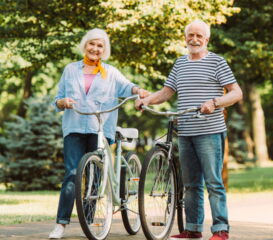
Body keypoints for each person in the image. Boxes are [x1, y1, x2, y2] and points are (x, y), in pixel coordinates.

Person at [135, 19, 243, 240]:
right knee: (191, 184)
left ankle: (221, 230)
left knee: (213, 183)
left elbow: (236, 93)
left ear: (207, 39)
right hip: (185, 132)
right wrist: (146, 101)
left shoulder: (217, 62)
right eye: (190, 35)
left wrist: (214, 102)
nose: (194, 39)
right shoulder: (180, 64)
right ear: (185, 38)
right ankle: (193, 228)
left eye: (199, 36)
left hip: (210, 131)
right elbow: (166, 92)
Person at [49, 28, 149, 239]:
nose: (95, 48)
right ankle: (61, 224)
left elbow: (128, 86)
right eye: (92, 44)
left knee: (94, 175)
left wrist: (139, 91)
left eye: (100, 45)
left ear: (105, 50)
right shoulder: (70, 70)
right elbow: (56, 100)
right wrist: (62, 102)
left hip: (100, 129)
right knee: (72, 174)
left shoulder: (110, 72)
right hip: (74, 127)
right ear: (85, 45)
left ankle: (89, 221)